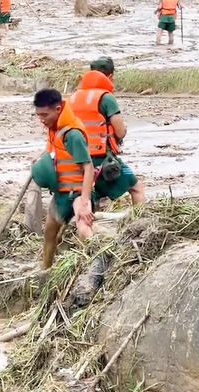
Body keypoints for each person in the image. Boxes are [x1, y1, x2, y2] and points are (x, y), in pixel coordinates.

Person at [69, 57, 145, 208]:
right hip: (101, 158)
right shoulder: (106, 98)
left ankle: (90, 225)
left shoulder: (74, 96)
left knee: (91, 195)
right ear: (110, 76)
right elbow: (120, 131)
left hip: (75, 157)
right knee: (136, 188)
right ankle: (139, 221)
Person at [33, 88, 95, 269]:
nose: (42, 120)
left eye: (45, 114)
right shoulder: (53, 129)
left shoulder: (73, 134)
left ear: (58, 109)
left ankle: (93, 265)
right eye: (38, 115)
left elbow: (88, 168)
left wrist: (84, 202)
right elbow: (52, 152)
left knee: (84, 228)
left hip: (76, 192)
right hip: (61, 192)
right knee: (49, 233)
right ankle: (45, 270)